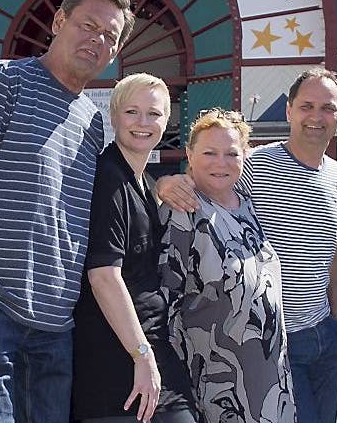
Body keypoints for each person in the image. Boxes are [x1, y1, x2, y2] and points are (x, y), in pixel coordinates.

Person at [0, 0, 135, 423]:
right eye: (88, 25)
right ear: (59, 22)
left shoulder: (91, 121)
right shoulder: (4, 81)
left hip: (54, 325)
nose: (97, 40)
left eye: (109, 36)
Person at [158, 69, 337, 423]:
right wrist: (165, 184)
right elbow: (205, 182)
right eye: (307, 106)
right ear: (289, 110)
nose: (316, 116)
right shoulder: (253, 165)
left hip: (326, 335)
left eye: (327, 107)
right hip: (274, 344)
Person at [72, 74, 196, 423]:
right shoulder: (109, 178)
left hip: (147, 345)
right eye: (132, 112)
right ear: (113, 117)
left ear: (166, 121)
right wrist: (141, 355)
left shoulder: (139, 180)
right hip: (115, 362)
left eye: (154, 114)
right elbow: (103, 277)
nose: (143, 123)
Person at [161, 109, 295, 423]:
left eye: (231, 153)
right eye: (209, 153)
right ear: (189, 155)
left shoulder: (247, 205)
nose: (220, 162)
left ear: (245, 155)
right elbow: (166, 303)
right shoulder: (183, 210)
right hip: (218, 385)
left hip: (268, 378)